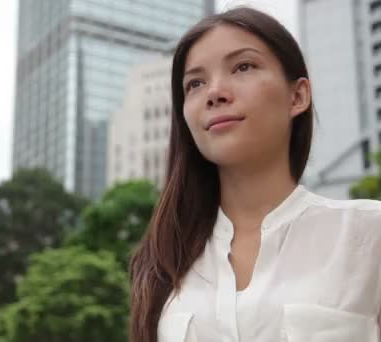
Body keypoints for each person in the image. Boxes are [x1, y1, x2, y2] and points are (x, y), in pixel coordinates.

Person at [129, 6, 381, 342]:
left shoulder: (367, 234)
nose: (215, 92)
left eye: (243, 66)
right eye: (195, 83)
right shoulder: (164, 258)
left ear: (298, 95)